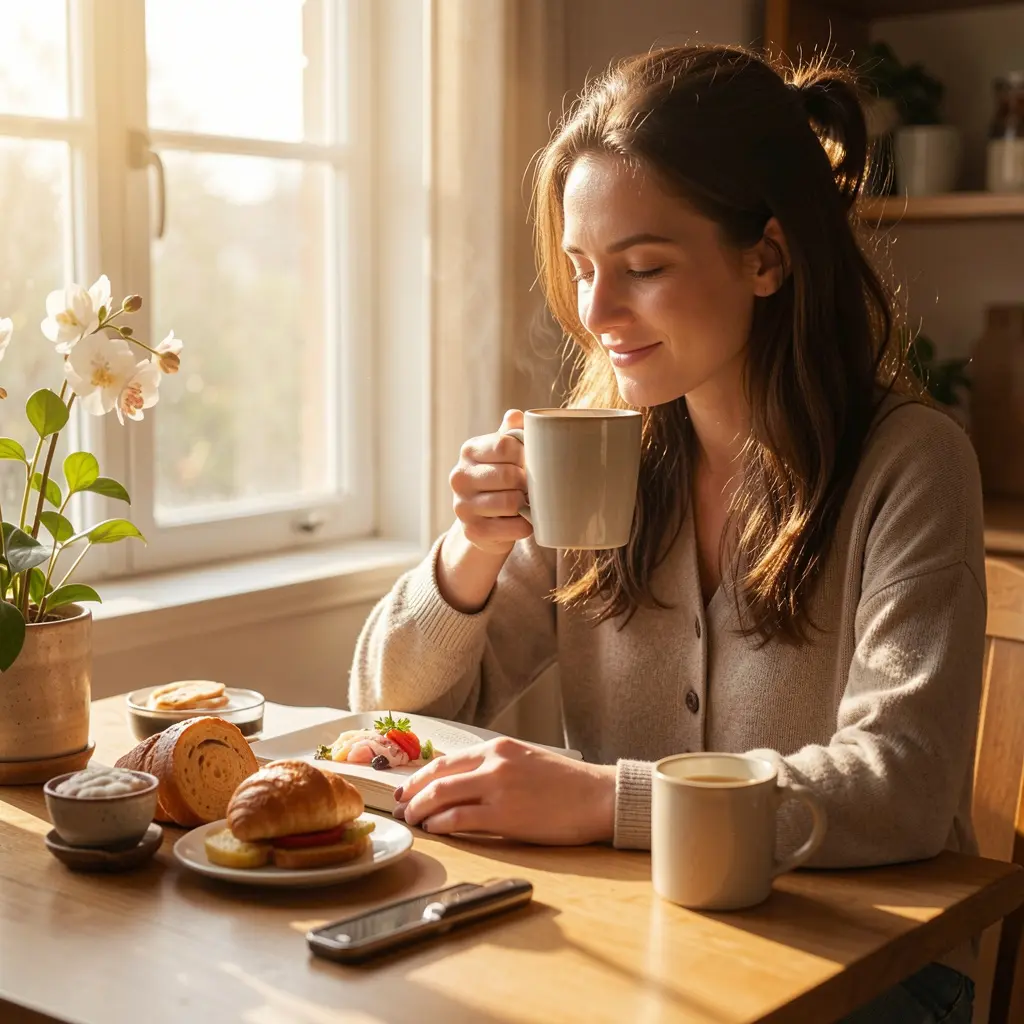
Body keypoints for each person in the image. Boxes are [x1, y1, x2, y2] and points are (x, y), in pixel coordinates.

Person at [350, 44, 983, 1022]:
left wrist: (605, 800)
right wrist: (467, 554)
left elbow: (900, 781)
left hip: (866, 974)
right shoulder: (601, 455)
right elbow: (384, 710)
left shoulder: (908, 463)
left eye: (642, 266)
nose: (595, 311)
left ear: (766, 257)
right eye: (579, 267)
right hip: (630, 954)